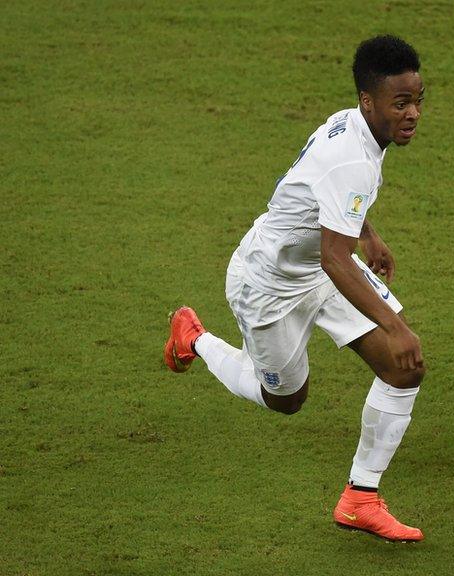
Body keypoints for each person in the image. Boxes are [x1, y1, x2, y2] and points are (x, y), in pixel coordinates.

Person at [163, 35, 428, 542]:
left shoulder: (353, 123)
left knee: (404, 367)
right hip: (268, 284)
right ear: (369, 101)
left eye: (418, 100)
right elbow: (334, 256)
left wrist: (367, 234)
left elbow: (320, 196)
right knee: (285, 399)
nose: (413, 112)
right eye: (401, 103)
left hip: (320, 265)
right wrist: (394, 324)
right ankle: (193, 336)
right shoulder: (352, 155)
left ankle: (360, 499)